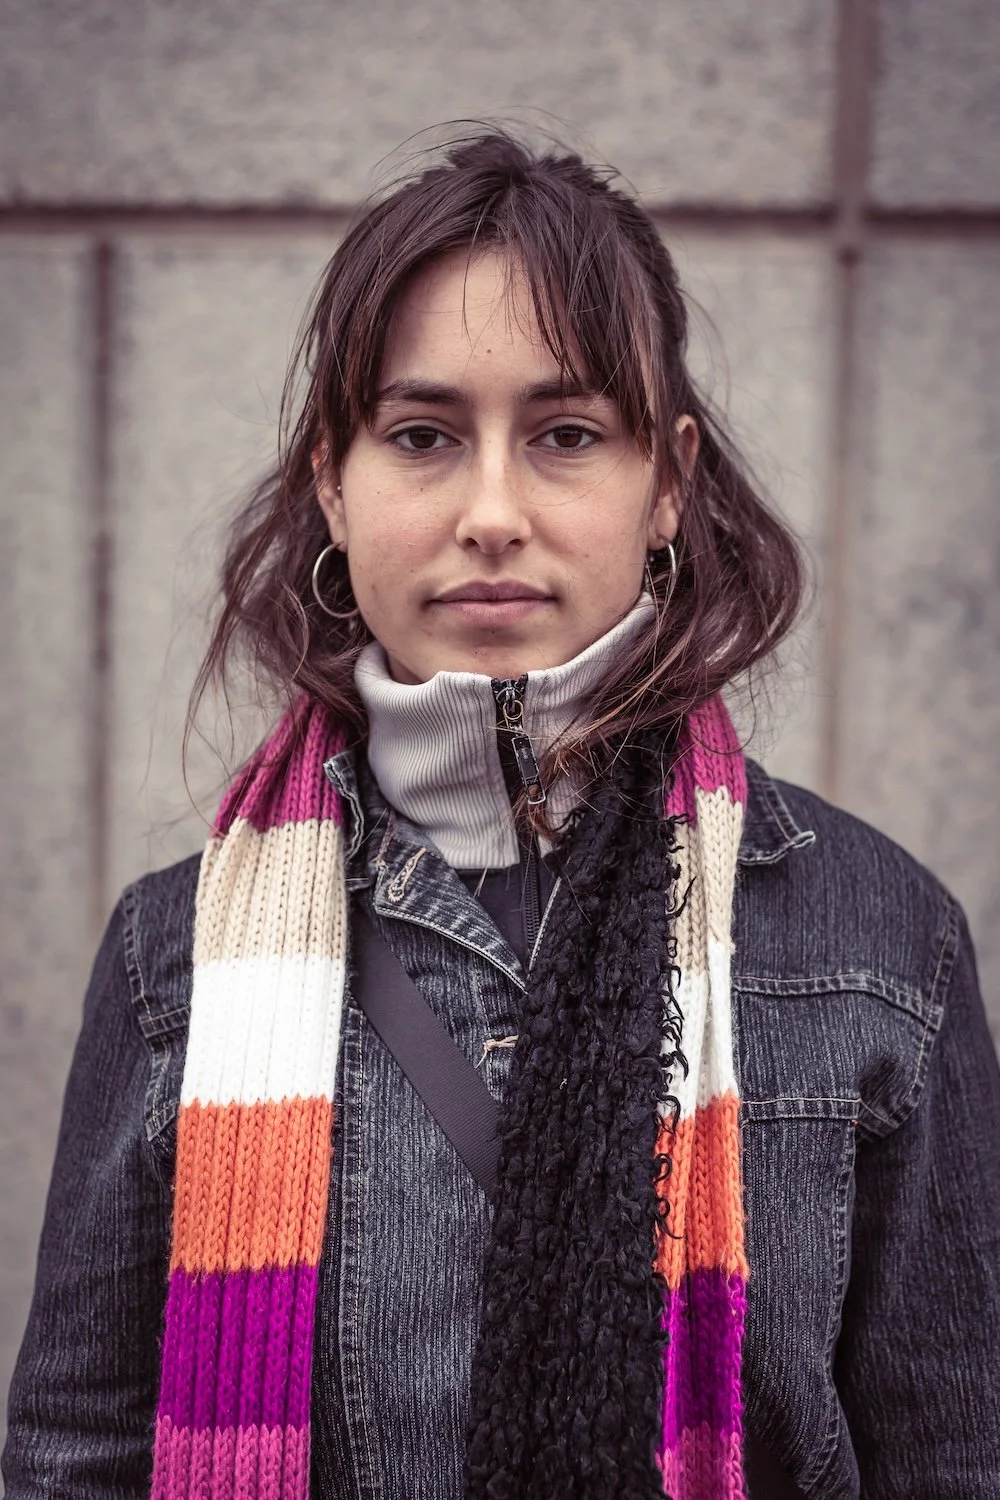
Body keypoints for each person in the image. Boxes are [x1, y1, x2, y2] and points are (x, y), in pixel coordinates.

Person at [4, 129, 1000, 1500]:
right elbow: (76, 1462)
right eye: (421, 436)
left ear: (670, 484)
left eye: (566, 436)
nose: (490, 511)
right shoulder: (171, 962)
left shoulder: (882, 940)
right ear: (331, 488)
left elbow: (954, 1456)